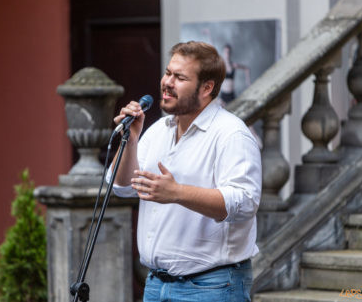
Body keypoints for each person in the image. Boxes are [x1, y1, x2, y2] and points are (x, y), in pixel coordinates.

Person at [108, 41, 261, 302]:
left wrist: (177, 192)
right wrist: (131, 141)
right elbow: (122, 187)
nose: (167, 82)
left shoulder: (231, 134)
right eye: (168, 73)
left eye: (179, 77)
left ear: (206, 88)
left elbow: (245, 203)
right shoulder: (158, 130)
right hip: (156, 284)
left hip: (211, 287)